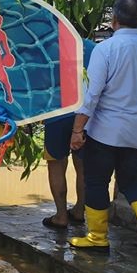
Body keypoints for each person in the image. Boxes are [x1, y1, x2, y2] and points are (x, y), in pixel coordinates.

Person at [69, 0, 137, 257]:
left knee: (96, 181)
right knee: (133, 181)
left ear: (114, 19)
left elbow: (91, 94)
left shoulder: (106, 49)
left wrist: (77, 129)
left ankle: (97, 238)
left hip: (105, 132)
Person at [41, 38, 95, 230]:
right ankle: (79, 211)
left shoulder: (46, 47)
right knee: (83, 167)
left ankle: (61, 216)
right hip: (86, 116)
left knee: (56, 163)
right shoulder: (92, 47)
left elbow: (39, 83)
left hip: (56, 114)